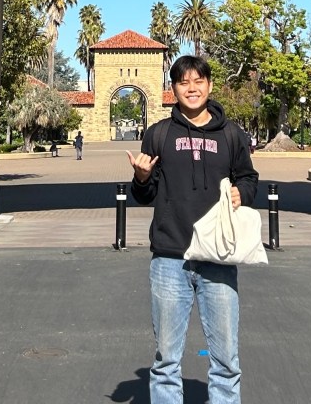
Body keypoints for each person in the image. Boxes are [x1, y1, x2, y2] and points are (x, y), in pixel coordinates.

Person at [128, 54, 258, 404]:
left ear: (209, 86)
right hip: (170, 259)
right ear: (173, 89)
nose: (192, 88)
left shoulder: (231, 135)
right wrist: (140, 178)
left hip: (218, 256)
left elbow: (249, 178)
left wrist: (240, 192)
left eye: (198, 81)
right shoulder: (158, 135)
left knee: (226, 359)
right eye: (183, 82)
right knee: (167, 360)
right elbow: (145, 194)